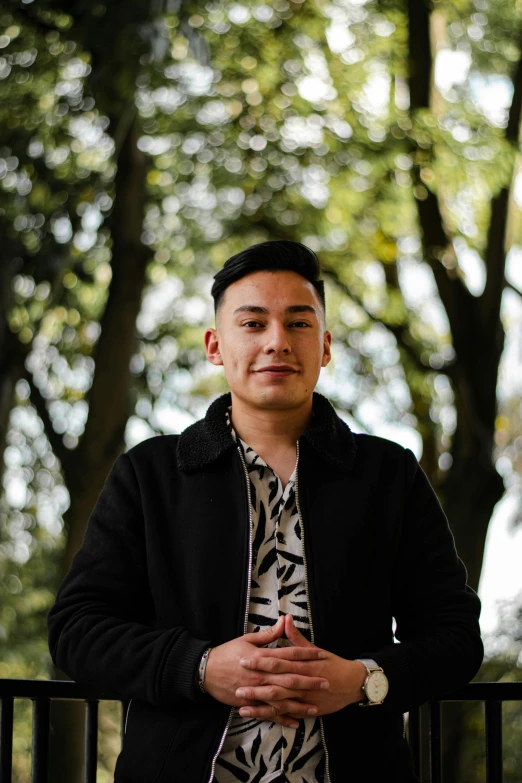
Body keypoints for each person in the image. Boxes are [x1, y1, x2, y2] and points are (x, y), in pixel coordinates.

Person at [47, 240, 484, 783]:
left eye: (298, 324)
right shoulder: (150, 473)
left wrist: (365, 679)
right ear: (215, 345)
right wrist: (200, 668)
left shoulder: (388, 474)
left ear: (324, 346)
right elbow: (77, 630)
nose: (277, 341)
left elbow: (456, 636)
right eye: (252, 324)